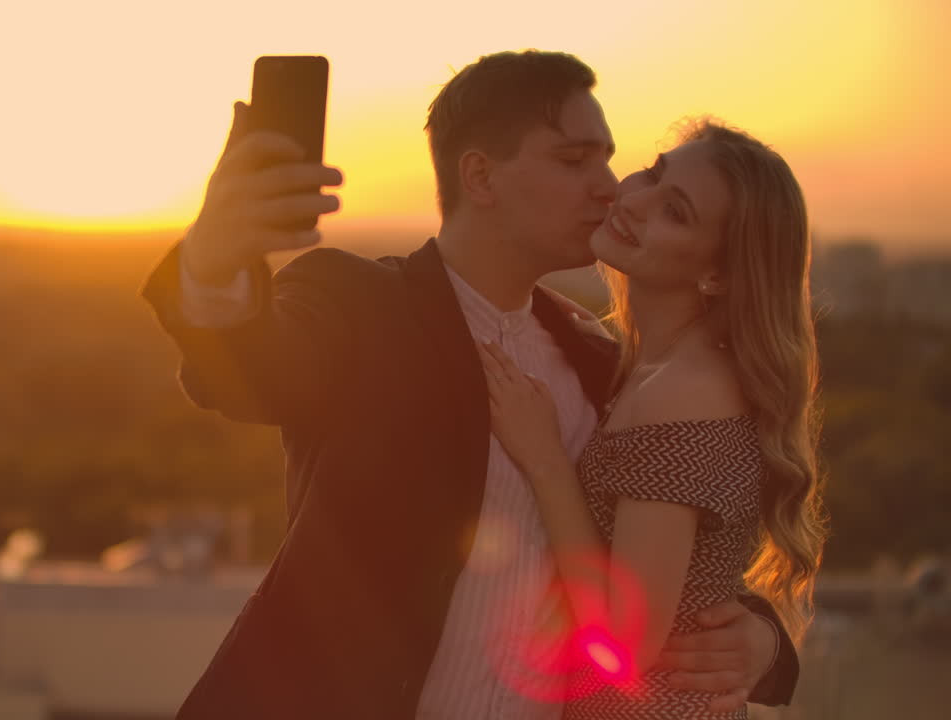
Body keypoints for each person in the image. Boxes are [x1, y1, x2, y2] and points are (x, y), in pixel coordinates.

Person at [141, 50, 799, 719]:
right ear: (480, 176)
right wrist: (214, 261)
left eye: (608, 158)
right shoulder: (357, 303)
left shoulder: (603, 364)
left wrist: (762, 642)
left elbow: (658, 558)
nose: (610, 187)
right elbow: (248, 372)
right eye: (574, 162)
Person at [477, 119, 826, 718]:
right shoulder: (654, 370)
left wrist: (546, 461)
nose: (633, 201)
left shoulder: (681, 392)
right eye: (654, 173)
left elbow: (625, 643)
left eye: (676, 212)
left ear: (716, 274)